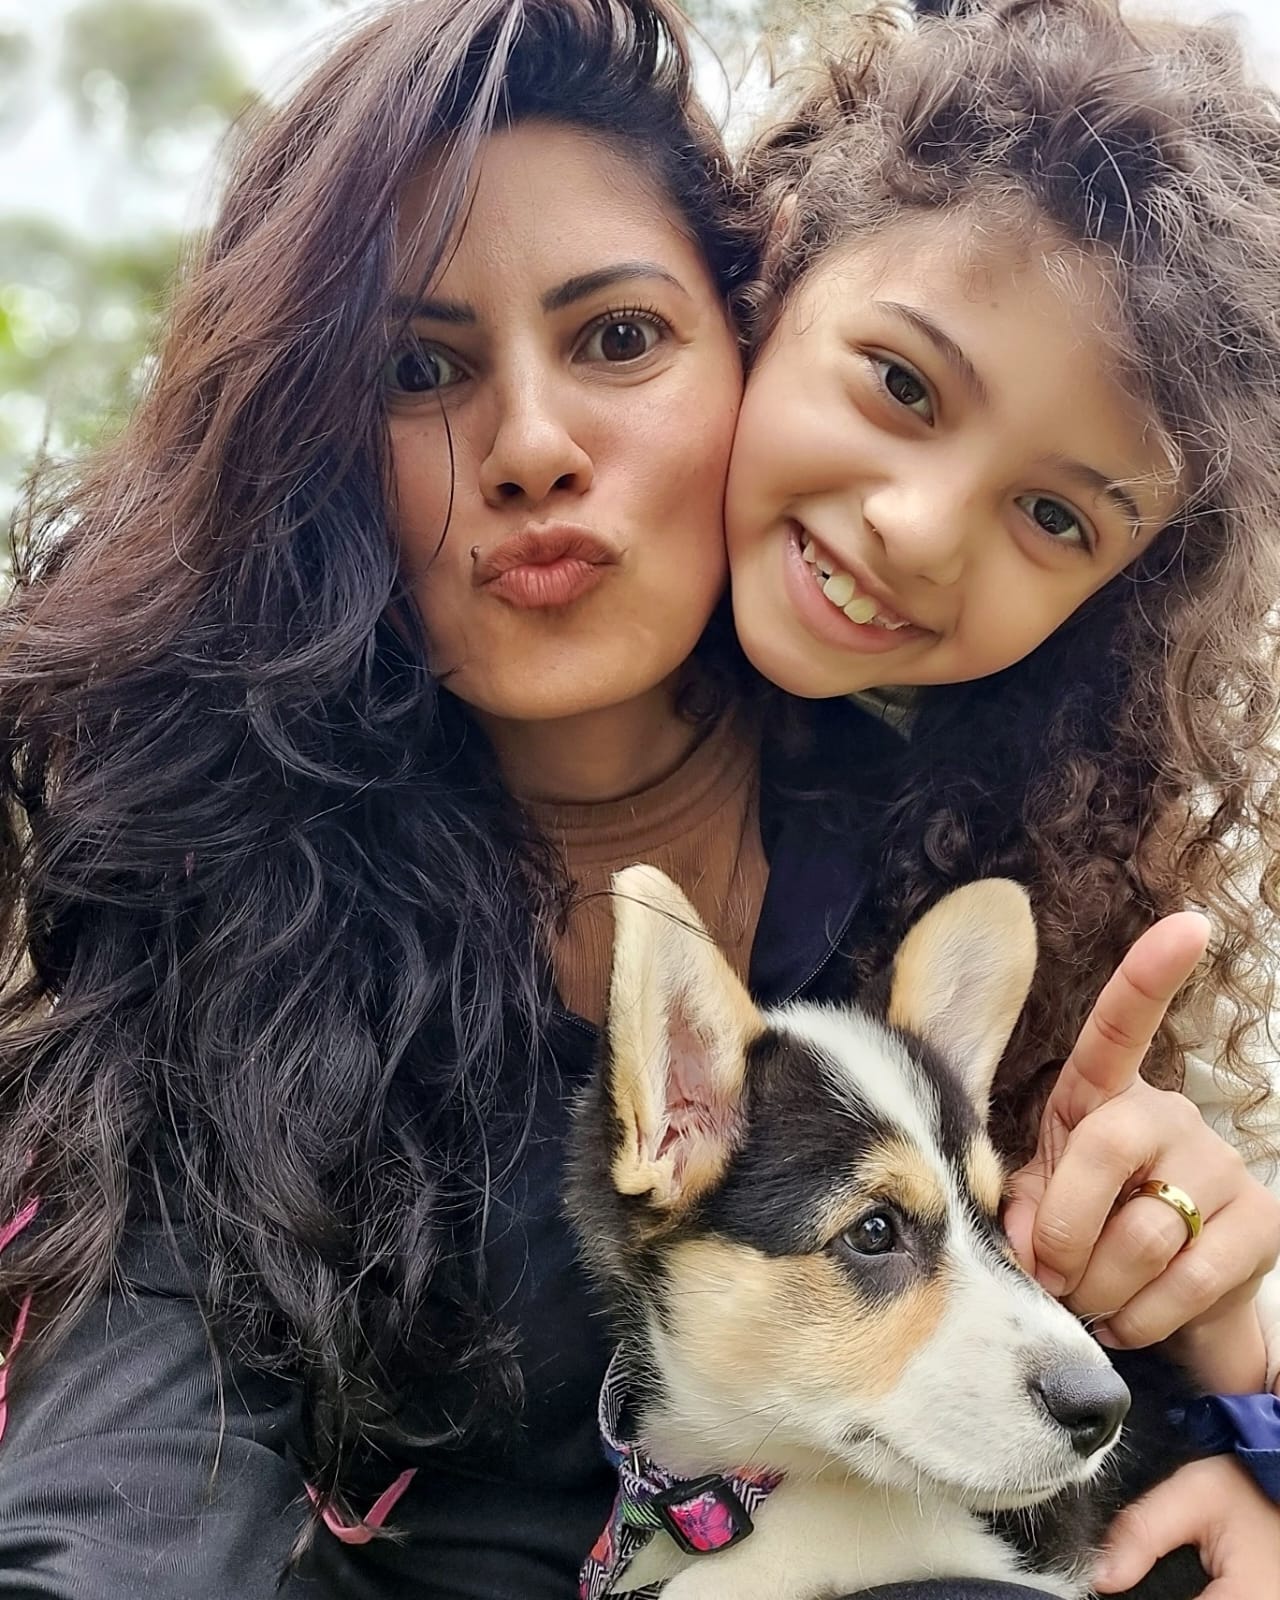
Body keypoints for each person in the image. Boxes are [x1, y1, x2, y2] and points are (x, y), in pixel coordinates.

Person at [0, 1, 1272, 1598]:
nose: (532, 447)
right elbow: (131, 1487)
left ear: (746, 323)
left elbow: (1104, 1445)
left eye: (616, 338)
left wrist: (1235, 1385)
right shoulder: (239, 919)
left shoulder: (985, 877)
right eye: (417, 368)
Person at [721, 0, 1280, 1586]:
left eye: (1055, 516)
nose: (918, 530)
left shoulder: (1016, 904)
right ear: (774, 271)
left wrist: (1222, 1366)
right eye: (903, 383)